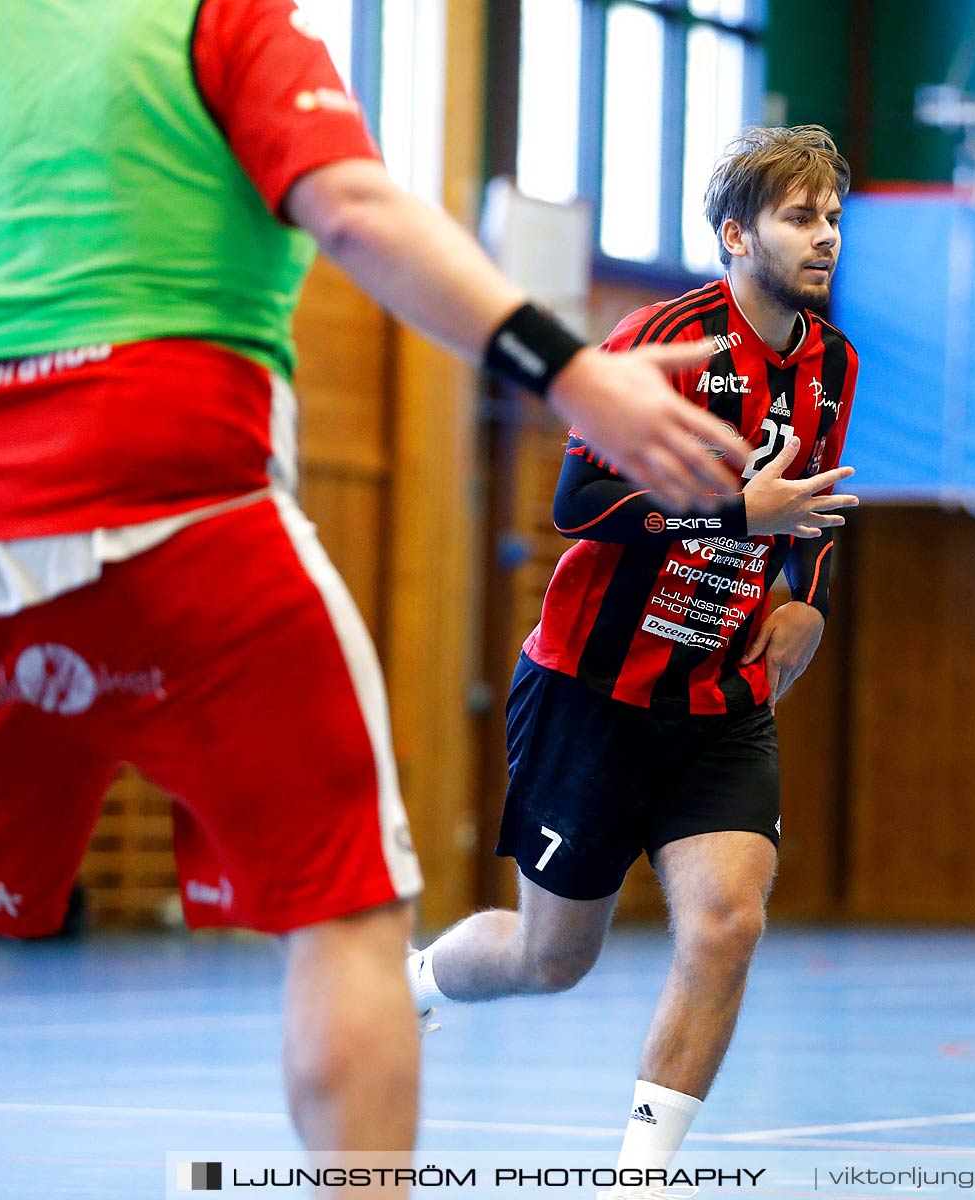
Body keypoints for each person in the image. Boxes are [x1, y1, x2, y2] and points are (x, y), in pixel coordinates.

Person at [0, 0, 744, 1190]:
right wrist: (573, 369)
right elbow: (355, 208)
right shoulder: (224, 20)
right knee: (348, 916)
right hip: (177, 506)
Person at [408, 125, 858, 1197]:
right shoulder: (661, 340)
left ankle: (640, 1180)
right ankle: (417, 981)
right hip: (591, 693)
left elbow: (818, 507)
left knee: (728, 920)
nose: (825, 237)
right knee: (552, 959)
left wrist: (808, 599)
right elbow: (578, 504)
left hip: (723, 701)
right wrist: (730, 508)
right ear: (734, 233)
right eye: (801, 217)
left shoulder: (833, 362)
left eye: (833, 217)